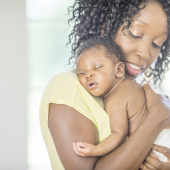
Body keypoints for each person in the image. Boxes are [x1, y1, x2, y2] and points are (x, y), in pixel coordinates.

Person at [40, 0, 170, 169]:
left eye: (156, 44)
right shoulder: (69, 87)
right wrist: (157, 117)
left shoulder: (148, 96)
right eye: (136, 34)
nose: (145, 53)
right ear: (107, 23)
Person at [72, 37, 170, 163]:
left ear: (119, 70)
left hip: (161, 142)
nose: (88, 75)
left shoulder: (116, 98)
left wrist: (96, 150)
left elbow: (119, 134)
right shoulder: (133, 86)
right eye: (81, 73)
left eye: (97, 68)